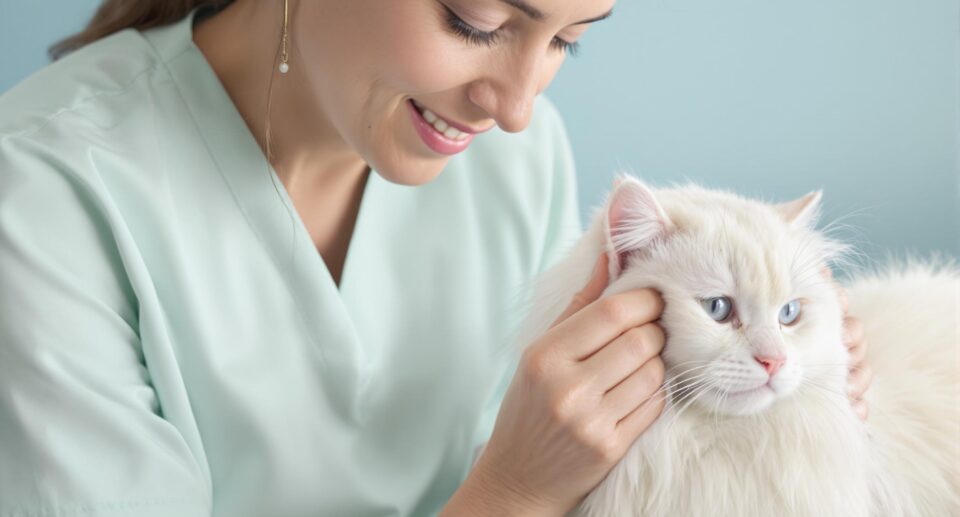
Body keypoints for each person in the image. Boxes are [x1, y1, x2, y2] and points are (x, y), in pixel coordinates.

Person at [0, 1, 872, 515]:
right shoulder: (43, 197)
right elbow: (531, 478)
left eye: (569, 39)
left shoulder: (514, 159)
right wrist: (512, 492)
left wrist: (803, 402)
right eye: (476, 20)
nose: (520, 105)